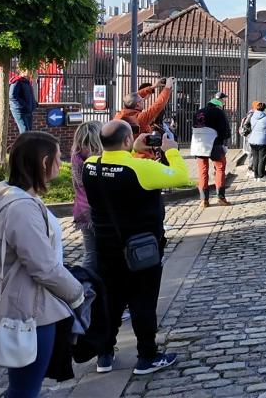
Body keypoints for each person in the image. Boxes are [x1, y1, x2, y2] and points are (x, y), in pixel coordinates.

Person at [0, 132, 85, 398]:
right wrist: (78, 294)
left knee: (25, 387)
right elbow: (43, 266)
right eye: (58, 158)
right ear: (44, 162)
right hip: (30, 309)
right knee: (24, 390)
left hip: (33, 304)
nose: (62, 162)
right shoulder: (21, 207)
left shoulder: (16, 197)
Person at [84, 120, 190, 376]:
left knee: (112, 300)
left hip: (106, 247)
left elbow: (118, 167)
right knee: (143, 301)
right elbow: (182, 177)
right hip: (142, 248)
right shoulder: (141, 168)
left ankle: (105, 354)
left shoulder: (91, 166)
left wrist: (131, 150)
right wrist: (171, 150)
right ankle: (147, 355)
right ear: (127, 140)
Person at [71, 121, 103, 273]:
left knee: (92, 253)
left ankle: (87, 283)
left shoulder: (76, 157)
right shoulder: (92, 161)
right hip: (94, 212)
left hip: (82, 210)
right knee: (98, 253)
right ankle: (88, 283)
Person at [191, 92, 232, 208]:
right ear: (220, 104)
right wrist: (224, 143)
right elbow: (224, 130)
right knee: (220, 168)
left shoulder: (199, 112)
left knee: (202, 171)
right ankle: (221, 198)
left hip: (199, 144)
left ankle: (204, 200)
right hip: (215, 143)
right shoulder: (218, 112)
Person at [248, 102, 266, 180]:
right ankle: (261, 175)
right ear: (264, 109)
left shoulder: (253, 117)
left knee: (255, 158)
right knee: (262, 159)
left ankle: (256, 175)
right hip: (263, 141)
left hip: (253, 140)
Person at [9, 68, 37, 134]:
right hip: (20, 111)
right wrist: (25, 105)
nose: (31, 72)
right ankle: (24, 144)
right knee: (25, 132)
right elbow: (12, 96)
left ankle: (27, 144)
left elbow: (28, 95)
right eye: (29, 70)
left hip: (28, 110)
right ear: (22, 71)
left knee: (29, 132)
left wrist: (34, 103)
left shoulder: (26, 82)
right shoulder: (17, 81)